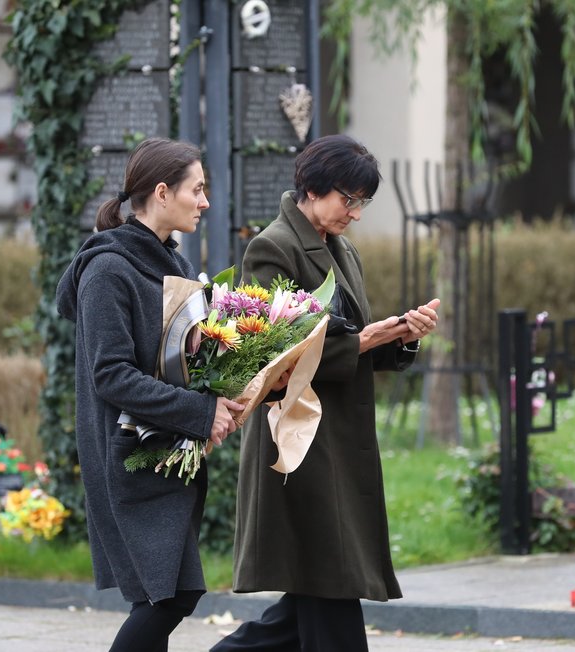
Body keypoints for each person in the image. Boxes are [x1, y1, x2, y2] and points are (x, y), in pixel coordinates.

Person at [212, 134, 439, 652]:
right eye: (349, 199)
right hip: (298, 441)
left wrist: (400, 338)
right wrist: (369, 337)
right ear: (313, 188)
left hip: (336, 436)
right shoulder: (272, 247)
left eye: (363, 202)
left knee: (317, 589)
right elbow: (270, 358)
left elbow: (351, 342)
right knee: (330, 578)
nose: (355, 213)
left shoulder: (343, 249)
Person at [56, 138, 245, 652]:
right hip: (129, 455)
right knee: (168, 597)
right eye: (197, 189)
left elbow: (177, 362)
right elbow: (112, 375)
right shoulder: (107, 269)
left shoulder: (174, 268)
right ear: (162, 193)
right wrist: (200, 411)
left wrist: (231, 389)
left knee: (168, 595)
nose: (205, 201)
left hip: (163, 448)